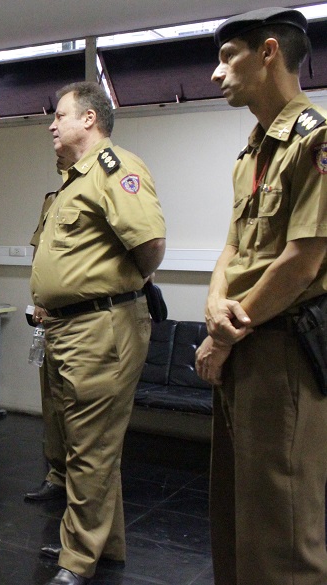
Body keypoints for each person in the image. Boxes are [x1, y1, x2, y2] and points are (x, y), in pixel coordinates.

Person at [195, 8, 327, 584]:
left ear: (268, 52)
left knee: (282, 523)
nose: (216, 73)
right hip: (244, 343)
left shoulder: (315, 139)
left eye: (229, 57)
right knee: (237, 512)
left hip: (281, 350)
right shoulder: (253, 150)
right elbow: (233, 249)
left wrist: (225, 332)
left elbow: (303, 261)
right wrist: (214, 306)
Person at [31, 81, 166, 585]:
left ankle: (76, 560)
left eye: (60, 114)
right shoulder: (73, 179)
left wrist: (117, 289)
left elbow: (150, 245)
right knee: (87, 446)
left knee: (89, 449)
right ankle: (103, 546)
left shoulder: (116, 169)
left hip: (101, 326)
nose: (51, 123)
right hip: (71, 327)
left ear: (89, 120)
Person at [24, 190, 67, 503]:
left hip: (84, 318)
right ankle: (57, 475)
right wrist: (38, 299)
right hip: (49, 316)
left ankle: (81, 487)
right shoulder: (52, 200)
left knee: (75, 408)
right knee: (51, 402)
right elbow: (40, 255)